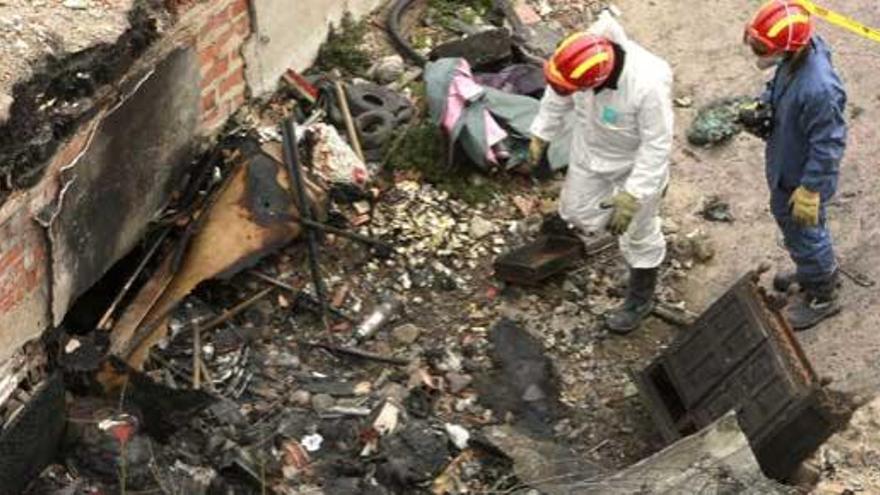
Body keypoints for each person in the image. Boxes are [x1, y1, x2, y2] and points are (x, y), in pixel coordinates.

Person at [528, 13, 674, 335]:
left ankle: (640, 297)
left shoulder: (647, 85)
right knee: (575, 211)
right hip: (590, 151)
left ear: (596, 81)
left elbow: (657, 145)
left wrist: (633, 194)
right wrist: (542, 133)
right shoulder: (581, 55)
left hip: (633, 165)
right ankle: (604, 235)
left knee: (638, 232)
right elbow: (557, 95)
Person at [742, 0, 847, 330]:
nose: (759, 53)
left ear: (788, 47)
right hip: (790, 159)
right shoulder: (799, 53)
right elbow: (779, 81)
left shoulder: (819, 89)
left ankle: (822, 294)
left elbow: (829, 143)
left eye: (763, 47)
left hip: (802, 177)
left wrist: (810, 189)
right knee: (804, 230)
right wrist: (765, 104)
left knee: (803, 229)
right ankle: (813, 269)